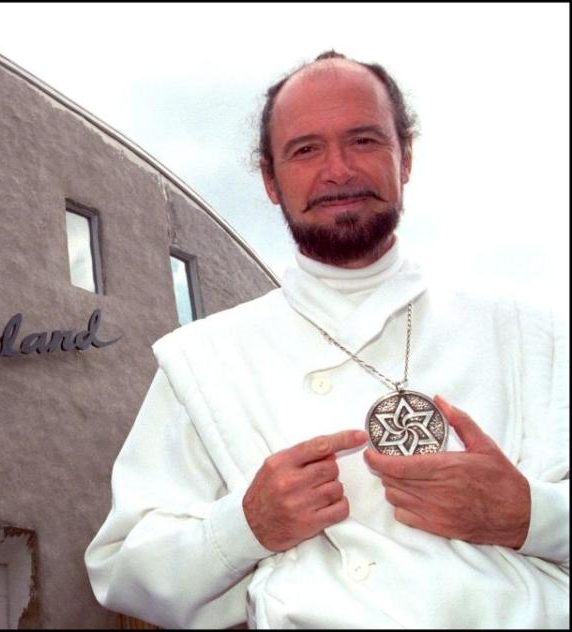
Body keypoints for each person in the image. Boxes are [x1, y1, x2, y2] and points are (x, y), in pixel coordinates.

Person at [84, 50, 569, 628]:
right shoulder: (204, 359)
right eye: (306, 149)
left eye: (363, 140)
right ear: (269, 179)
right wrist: (245, 527)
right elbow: (120, 571)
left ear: (405, 157)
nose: (337, 170)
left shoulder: (532, 337)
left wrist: (530, 514)